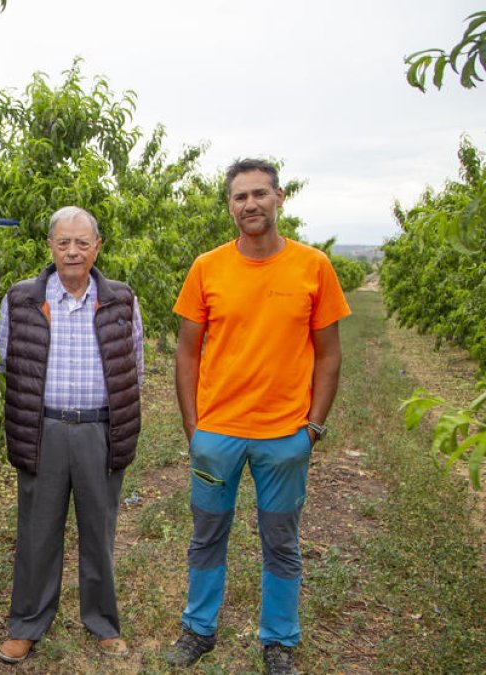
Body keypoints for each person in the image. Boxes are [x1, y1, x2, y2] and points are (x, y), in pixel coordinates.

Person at [166, 159, 350, 675]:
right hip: (217, 435)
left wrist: (311, 427)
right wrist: (193, 428)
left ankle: (279, 642)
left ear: (279, 197)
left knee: (281, 541)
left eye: (259, 194)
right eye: (239, 197)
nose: (250, 204)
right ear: (229, 205)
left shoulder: (313, 266)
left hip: (283, 437)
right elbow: (187, 352)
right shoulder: (208, 267)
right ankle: (198, 630)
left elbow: (330, 353)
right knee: (207, 535)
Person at [0, 207, 143, 664]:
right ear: (50, 247)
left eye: (82, 243)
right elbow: (9, 364)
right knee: (38, 533)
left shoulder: (121, 299)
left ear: (97, 247)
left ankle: (102, 623)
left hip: (99, 428)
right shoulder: (21, 299)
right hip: (45, 429)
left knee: (99, 531)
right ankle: (27, 623)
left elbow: (132, 366)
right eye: (63, 242)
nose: (73, 251)